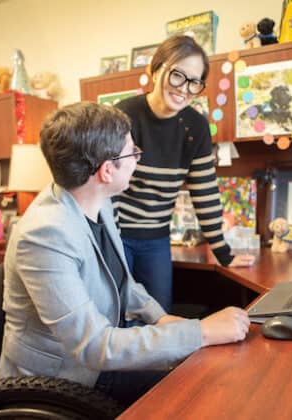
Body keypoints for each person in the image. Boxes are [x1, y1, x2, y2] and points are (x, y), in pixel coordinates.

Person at [0, 102, 250, 406]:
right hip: (59, 383)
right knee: (199, 392)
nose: (137, 159)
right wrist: (200, 332)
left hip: (97, 361)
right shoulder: (44, 234)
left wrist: (162, 318)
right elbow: (94, 345)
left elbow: (124, 285)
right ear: (106, 170)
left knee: (203, 370)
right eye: (132, 152)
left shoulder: (98, 202)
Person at [115, 35, 254, 313]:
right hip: (118, 235)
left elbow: (205, 192)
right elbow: (107, 186)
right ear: (156, 70)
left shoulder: (196, 127)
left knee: (160, 315)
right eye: (177, 75)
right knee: (117, 313)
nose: (185, 89)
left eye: (194, 81)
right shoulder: (124, 115)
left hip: (156, 238)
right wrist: (108, 242)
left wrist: (223, 252)